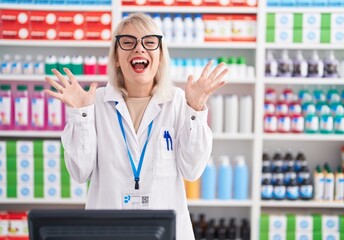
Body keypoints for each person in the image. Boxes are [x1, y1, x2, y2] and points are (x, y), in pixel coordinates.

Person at [44, 12, 228, 240]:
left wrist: (196, 109)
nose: (139, 49)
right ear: (116, 59)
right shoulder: (94, 102)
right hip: (108, 233)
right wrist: (80, 115)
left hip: (167, 234)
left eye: (149, 42)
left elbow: (193, 170)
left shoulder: (180, 101)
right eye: (128, 42)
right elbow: (80, 172)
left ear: (160, 56)